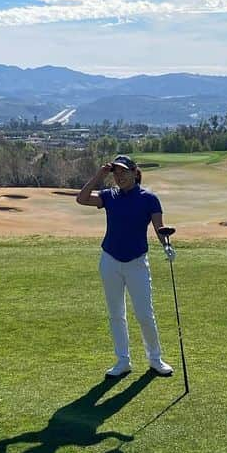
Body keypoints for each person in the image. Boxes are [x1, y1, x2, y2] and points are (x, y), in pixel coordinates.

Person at [76, 154, 175, 379]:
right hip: (110, 260)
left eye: (123, 171)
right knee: (116, 314)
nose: (119, 176)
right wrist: (99, 175)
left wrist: (167, 246)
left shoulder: (149, 199)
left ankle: (155, 359)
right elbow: (81, 199)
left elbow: (159, 228)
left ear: (134, 172)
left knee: (144, 314)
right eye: (116, 172)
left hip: (137, 262)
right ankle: (123, 361)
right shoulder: (109, 196)